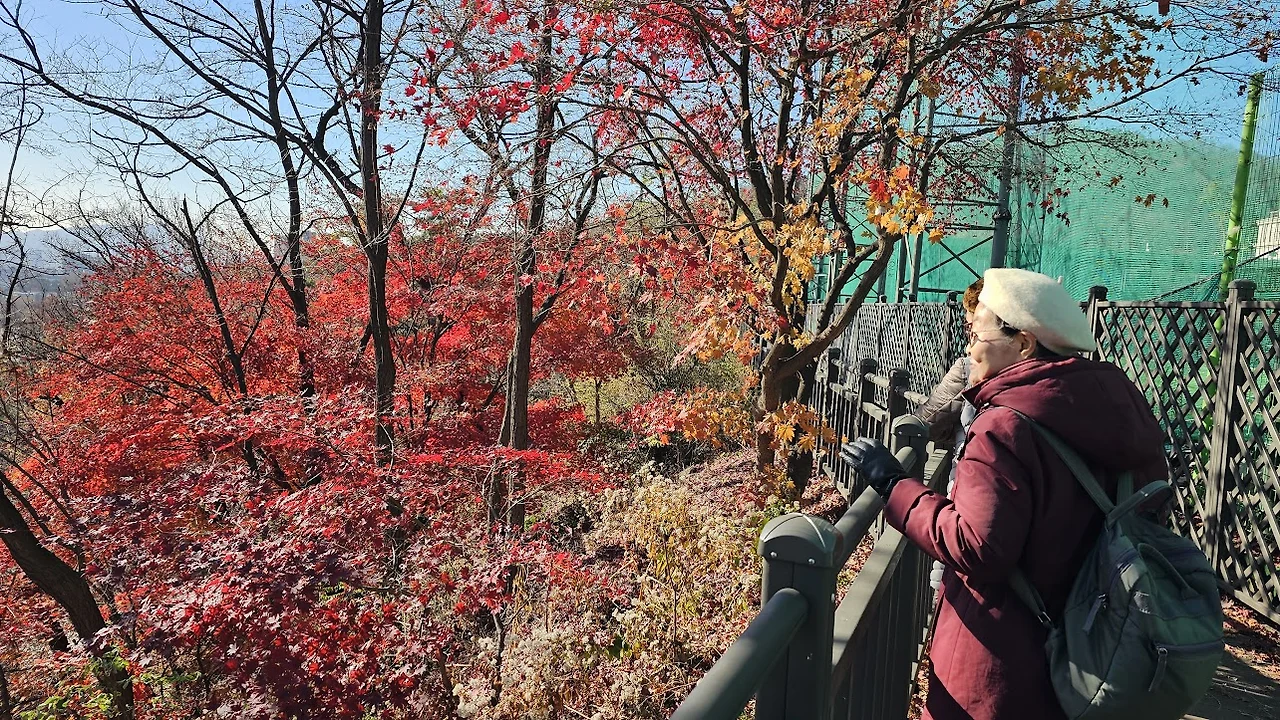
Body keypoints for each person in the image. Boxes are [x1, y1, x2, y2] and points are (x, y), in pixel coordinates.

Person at [844, 268, 1167, 720]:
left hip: (1003, 661)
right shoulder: (1123, 410)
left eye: (977, 334)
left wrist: (895, 486)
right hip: (1096, 649)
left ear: (1024, 344)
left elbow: (977, 544)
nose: (970, 348)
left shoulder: (1004, 426)